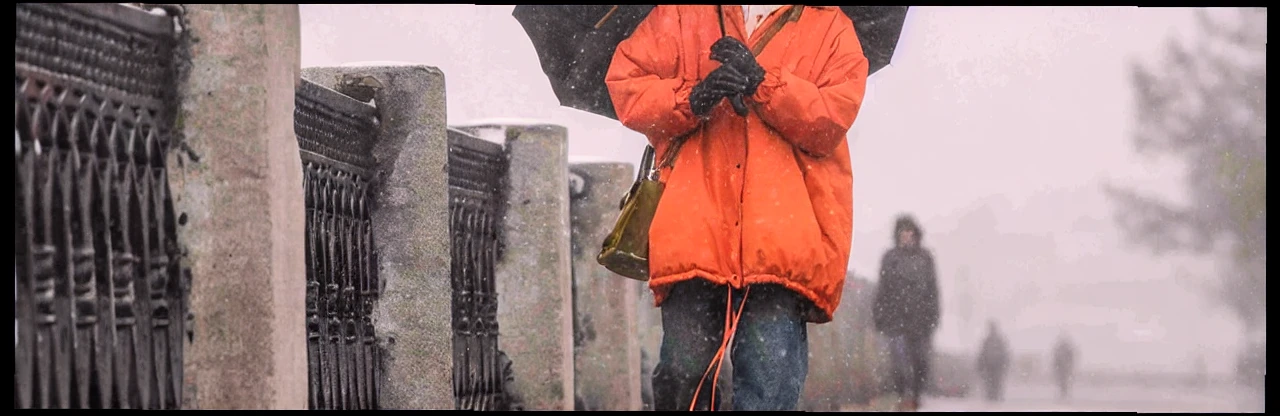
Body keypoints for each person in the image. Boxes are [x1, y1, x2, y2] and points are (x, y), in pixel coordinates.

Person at [605, 4, 869, 411]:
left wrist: (764, 83)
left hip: (781, 243)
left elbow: (830, 120)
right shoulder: (681, 14)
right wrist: (694, 97)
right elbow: (627, 86)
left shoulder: (829, 26)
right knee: (683, 380)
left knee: (768, 386)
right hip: (695, 231)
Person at [871, 215, 940, 411]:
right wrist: (879, 315)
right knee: (898, 362)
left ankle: (916, 394)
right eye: (903, 232)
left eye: (909, 232)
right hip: (896, 320)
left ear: (915, 234)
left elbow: (933, 290)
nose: (906, 236)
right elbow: (882, 289)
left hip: (920, 322)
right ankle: (902, 394)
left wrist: (933, 317)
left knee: (920, 362)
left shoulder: (925, 258)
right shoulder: (890, 258)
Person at [975, 320, 1011, 402]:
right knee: (992, 383)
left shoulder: (996, 340)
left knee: (994, 383)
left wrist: (1004, 364)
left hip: (995, 366)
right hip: (991, 366)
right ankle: (992, 398)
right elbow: (982, 354)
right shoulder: (989, 340)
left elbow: (1004, 353)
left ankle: (994, 398)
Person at [1052, 333, 1076, 400]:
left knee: (1063, 381)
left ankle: (1064, 394)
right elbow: (1056, 359)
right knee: (1063, 381)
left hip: (1063, 368)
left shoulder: (1062, 350)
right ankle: (1063, 394)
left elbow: (1071, 358)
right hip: (1062, 368)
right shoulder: (1063, 349)